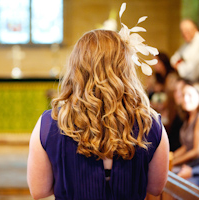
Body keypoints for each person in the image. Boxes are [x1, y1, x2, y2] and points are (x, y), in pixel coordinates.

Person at [27, 29, 169, 199]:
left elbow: (39, 190)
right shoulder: (150, 122)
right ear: (125, 68)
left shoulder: (49, 124)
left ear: (76, 68)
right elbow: (155, 187)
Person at [173, 81, 199, 166]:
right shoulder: (187, 117)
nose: (185, 99)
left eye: (189, 95)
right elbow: (186, 147)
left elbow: (196, 151)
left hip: (195, 167)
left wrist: (173, 162)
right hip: (188, 164)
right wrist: (171, 157)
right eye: (183, 95)